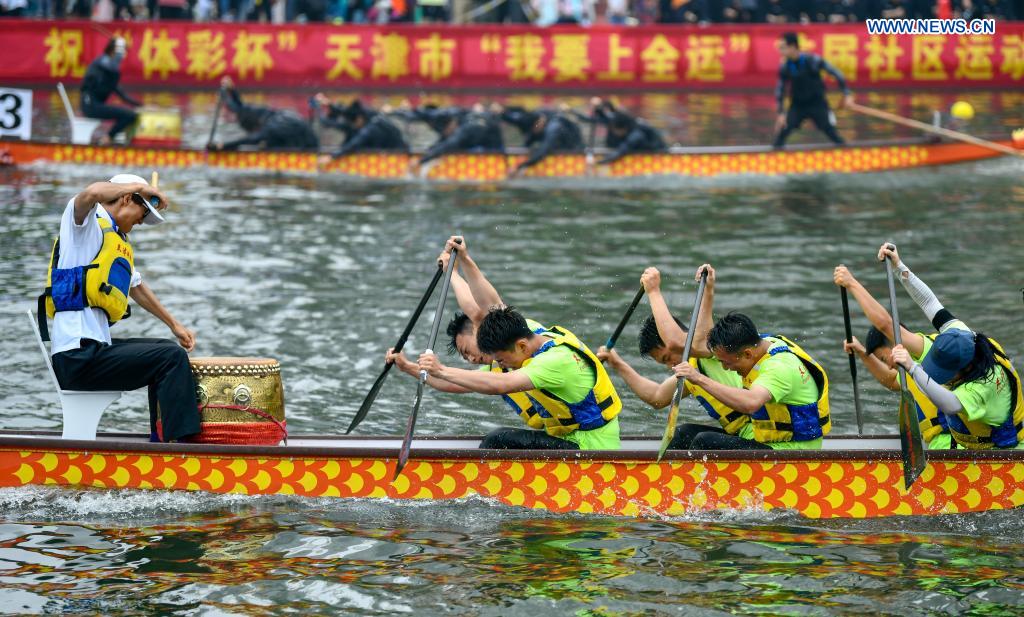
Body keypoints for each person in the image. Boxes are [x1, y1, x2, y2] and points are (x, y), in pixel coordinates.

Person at [39, 174, 201, 443]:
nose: (140, 222)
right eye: (141, 212)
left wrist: (174, 325)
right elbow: (90, 192)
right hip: (77, 357)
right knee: (169, 357)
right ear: (126, 198)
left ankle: (161, 439)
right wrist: (141, 187)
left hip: (91, 352)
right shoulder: (84, 228)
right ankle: (182, 448)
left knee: (164, 351)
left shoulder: (115, 240)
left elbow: (136, 286)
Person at [386, 237, 549, 430]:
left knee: (498, 438)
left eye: (467, 350)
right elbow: (448, 382)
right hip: (557, 431)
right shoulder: (500, 363)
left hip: (583, 437)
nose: (471, 359)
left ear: (477, 327)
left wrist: (456, 267)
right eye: (466, 357)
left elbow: (479, 309)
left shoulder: (516, 331)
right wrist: (407, 366)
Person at [878, 244, 1024, 450]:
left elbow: (949, 404)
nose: (941, 376)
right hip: (974, 449)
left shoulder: (981, 388)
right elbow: (929, 302)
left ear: (962, 369)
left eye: (945, 373)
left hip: (1004, 457)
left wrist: (912, 367)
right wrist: (899, 267)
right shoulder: (966, 337)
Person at [418, 305, 622, 450]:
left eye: (501, 360)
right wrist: (461, 261)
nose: (501, 365)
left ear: (522, 346)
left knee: (497, 440)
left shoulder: (553, 362)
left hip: (590, 448)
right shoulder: (529, 332)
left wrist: (442, 369)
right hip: (573, 438)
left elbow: (501, 385)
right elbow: (485, 306)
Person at [673, 265, 831, 450]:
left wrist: (698, 378)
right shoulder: (759, 343)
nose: (725, 368)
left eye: (726, 362)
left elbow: (750, 403)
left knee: (705, 442)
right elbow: (701, 345)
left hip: (793, 451)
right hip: (767, 441)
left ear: (747, 354)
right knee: (684, 433)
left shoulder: (779, 368)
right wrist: (709, 289)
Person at [596, 267, 744, 450]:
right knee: (683, 433)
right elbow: (657, 397)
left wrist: (653, 291)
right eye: (664, 363)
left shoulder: (713, 348)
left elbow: (674, 342)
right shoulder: (691, 369)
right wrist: (618, 364)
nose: (670, 365)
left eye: (667, 357)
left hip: (760, 437)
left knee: (703, 440)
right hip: (742, 435)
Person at [833, 264, 952, 449]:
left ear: (895, 340)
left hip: (954, 445)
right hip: (936, 443)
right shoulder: (908, 369)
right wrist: (862, 353)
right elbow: (889, 380)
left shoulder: (928, 350)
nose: (888, 366)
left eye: (883, 359)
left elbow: (885, 324)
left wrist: (851, 284)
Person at [773, 31, 854, 149]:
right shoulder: (785, 67)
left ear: (793, 47)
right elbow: (780, 89)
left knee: (829, 131)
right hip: (798, 105)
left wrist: (847, 94)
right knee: (783, 131)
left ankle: (846, 153)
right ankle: (774, 157)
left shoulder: (812, 60)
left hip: (817, 103)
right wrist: (781, 113)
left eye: (783, 48)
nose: (780, 51)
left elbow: (837, 74)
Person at [209, 77, 319, 152]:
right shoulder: (272, 114)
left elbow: (250, 139)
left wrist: (223, 146)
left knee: (263, 142)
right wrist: (232, 91)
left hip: (308, 148)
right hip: (307, 141)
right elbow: (241, 109)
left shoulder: (271, 126)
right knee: (266, 144)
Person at [401, 103, 504, 171]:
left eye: (444, 130)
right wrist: (430, 150)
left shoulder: (466, 128)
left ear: (450, 124)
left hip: (494, 153)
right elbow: (444, 140)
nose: (444, 133)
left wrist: (420, 161)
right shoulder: (460, 118)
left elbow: (449, 143)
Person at [80, 37, 141, 146]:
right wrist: (120, 46)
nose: (122, 56)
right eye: (120, 52)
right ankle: (107, 139)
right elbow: (112, 67)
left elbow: (122, 95)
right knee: (129, 115)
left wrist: (140, 105)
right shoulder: (102, 62)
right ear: (113, 51)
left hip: (96, 105)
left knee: (131, 115)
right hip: (90, 106)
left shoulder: (110, 74)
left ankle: (112, 139)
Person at [314, 96, 408, 163]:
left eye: (354, 123)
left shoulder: (370, 128)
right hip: (401, 148)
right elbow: (347, 112)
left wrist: (332, 157)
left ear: (359, 119)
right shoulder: (368, 114)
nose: (354, 126)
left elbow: (355, 143)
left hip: (398, 155)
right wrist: (329, 104)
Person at [497, 105, 583, 177]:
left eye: (533, 129)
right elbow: (530, 139)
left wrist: (519, 167)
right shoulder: (538, 120)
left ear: (538, 124)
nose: (533, 132)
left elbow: (543, 151)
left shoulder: (554, 128)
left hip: (574, 151)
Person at [575, 99, 668, 166]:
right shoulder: (623, 122)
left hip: (659, 154)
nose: (613, 132)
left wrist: (596, 163)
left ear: (623, 128)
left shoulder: (636, 135)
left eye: (615, 130)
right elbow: (596, 119)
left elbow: (619, 153)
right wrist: (597, 108)